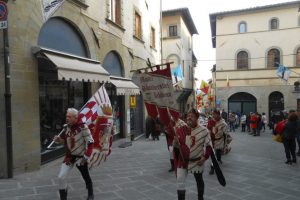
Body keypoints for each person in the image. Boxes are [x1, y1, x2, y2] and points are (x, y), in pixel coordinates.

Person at [54, 108, 94, 200]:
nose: (67, 118)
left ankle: (91, 194)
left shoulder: (83, 127)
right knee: (61, 177)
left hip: (81, 157)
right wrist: (58, 140)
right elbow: (63, 141)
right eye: (66, 116)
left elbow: (90, 142)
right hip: (69, 157)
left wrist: (86, 157)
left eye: (69, 117)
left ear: (75, 118)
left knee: (86, 176)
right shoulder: (66, 127)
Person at [173, 108, 212, 200]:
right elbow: (176, 149)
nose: (189, 118)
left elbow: (209, 146)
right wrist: (176, 144)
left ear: (197, 118)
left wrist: (204, 158)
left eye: (192, 116)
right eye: (188, 116)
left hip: (197, 161)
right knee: (180, 182)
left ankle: (200, 198)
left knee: (199, 180)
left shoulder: (204, 131)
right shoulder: (180, 130)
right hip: (182, 160)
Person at [209, 109, 229, 175]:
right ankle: (214, 165)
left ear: (218, 115)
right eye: (212, 114)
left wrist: (225, 145)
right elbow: (208, 130)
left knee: (217, 152)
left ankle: (216, 163)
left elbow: (226, 135)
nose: (213, 116)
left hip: (219, 140)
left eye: (214, 114)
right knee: (214, 153)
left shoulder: (223, 124)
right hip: (212, 140)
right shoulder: (211, 121)